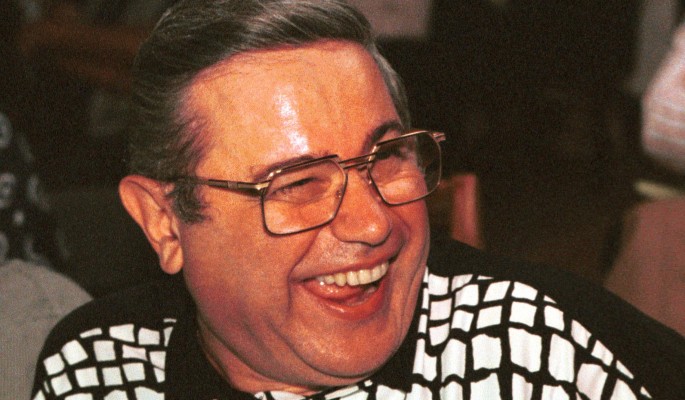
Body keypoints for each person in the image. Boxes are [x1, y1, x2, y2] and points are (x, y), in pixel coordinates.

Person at [32, 1, 684, 399]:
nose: (373, 224)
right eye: (296, 184)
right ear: (164, 223)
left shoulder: (533, 353)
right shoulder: (97, 368)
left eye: (387, 156)